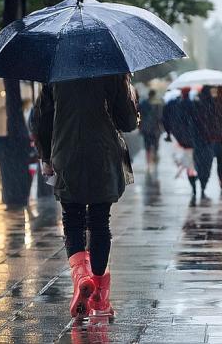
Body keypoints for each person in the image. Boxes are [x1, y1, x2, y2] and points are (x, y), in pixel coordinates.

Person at [34, 74, 138, 319]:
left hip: (66, 153)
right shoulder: (112, 71)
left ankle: (81, 276)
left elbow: (42, 122)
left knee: (73, 220)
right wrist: (128, 97)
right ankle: (100, 300)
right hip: (103, 155)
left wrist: (46, 156)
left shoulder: (55, 75)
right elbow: (128, 122)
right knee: (100, 222)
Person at [162, 87, 199, 199]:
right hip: (194, 138)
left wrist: (170, 132)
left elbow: (167, 119)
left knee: (189, 162)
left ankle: (193, 183)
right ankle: (195, 178)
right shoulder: (194, 104)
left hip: (183, 139)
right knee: (193, 161)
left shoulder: (175, 105)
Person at [192, 86, 216, 202]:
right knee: (208, 162)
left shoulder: (196, 103)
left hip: (198, 139)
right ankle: (203, 184)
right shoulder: (212, 103)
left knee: (199, 161)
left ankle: (199, 178)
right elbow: (214, 120)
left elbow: (191, 121)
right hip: (209, 139)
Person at [138, 90, 163, 171]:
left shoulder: (143, 103)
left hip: (146, 129)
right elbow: (160, 117)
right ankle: (155, 161)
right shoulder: (158, 103)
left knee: (147, 147)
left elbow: (139, 115)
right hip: (155, 129)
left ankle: (148, 164)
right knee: (155, 146)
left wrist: (140, 126)